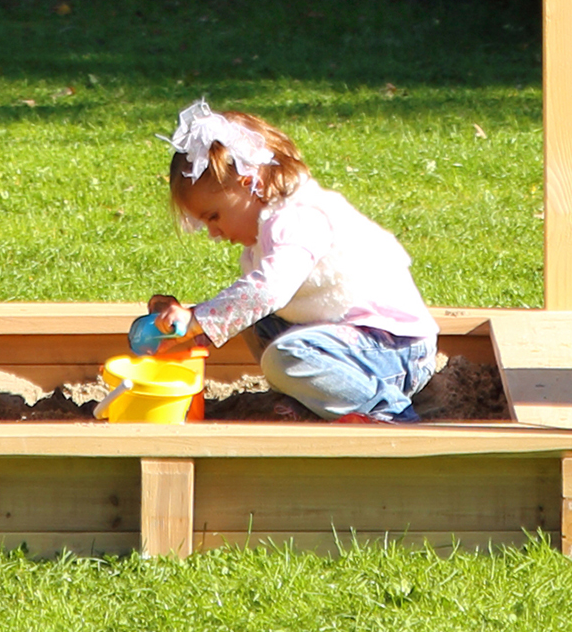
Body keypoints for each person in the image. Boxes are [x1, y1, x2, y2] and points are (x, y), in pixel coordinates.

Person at [140, 100, 440, 423]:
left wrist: (199, 318)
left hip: (393, 349)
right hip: (356, 341)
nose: (213, 232)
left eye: (214, 216)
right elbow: (252, 304)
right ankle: (321, 400)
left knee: (285, 357)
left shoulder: (297, 219)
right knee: (255, 320)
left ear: (249, 185)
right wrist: (192, 329)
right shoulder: (265, 230)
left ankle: (387, 411)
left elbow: (268, 291)